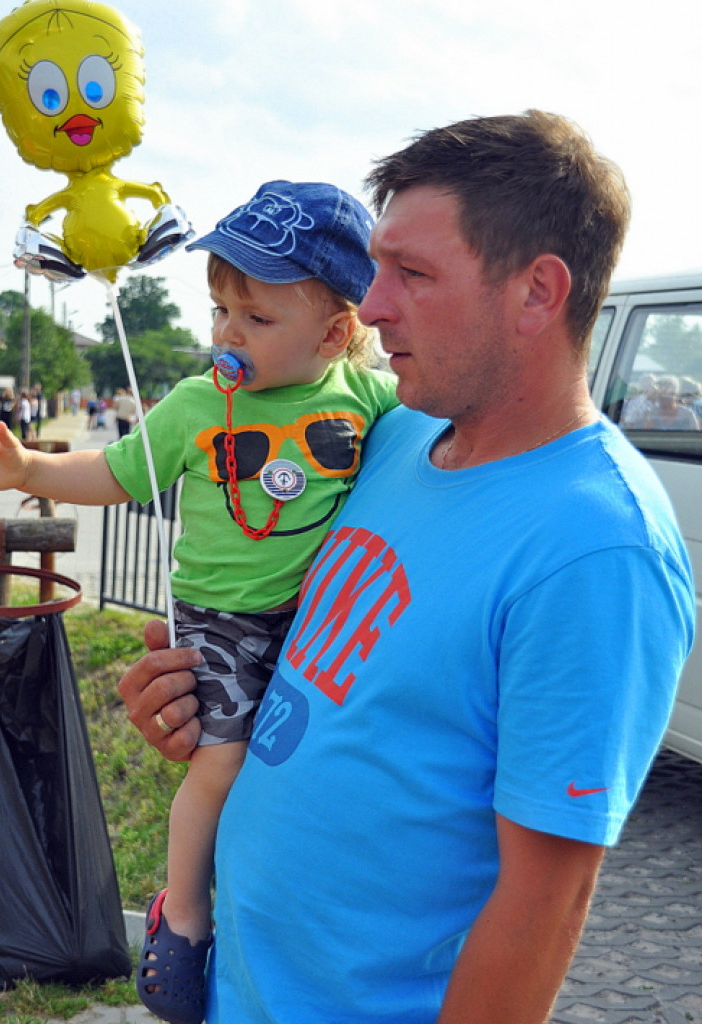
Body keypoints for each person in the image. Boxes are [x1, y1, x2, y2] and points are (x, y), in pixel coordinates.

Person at [117, 111, 695, 1024]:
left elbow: (543, 907)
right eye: (377, 267)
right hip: (243, 989)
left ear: (538, 292)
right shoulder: (392, 434)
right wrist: (204, 712)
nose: (373, 304)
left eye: (413, 274)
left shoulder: (597, 549)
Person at [0, 179, 398, 1024]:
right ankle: (182, 916)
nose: (226, 331)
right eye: (220, 308)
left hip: (316, 621)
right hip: (218, 617)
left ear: (335, 333)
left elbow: (433, 435)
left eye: (255, 319)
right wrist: (30, 470)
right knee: (219, 761)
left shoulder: (365, 400)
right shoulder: (195, 404)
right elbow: (112, 475)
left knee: (298, 765)